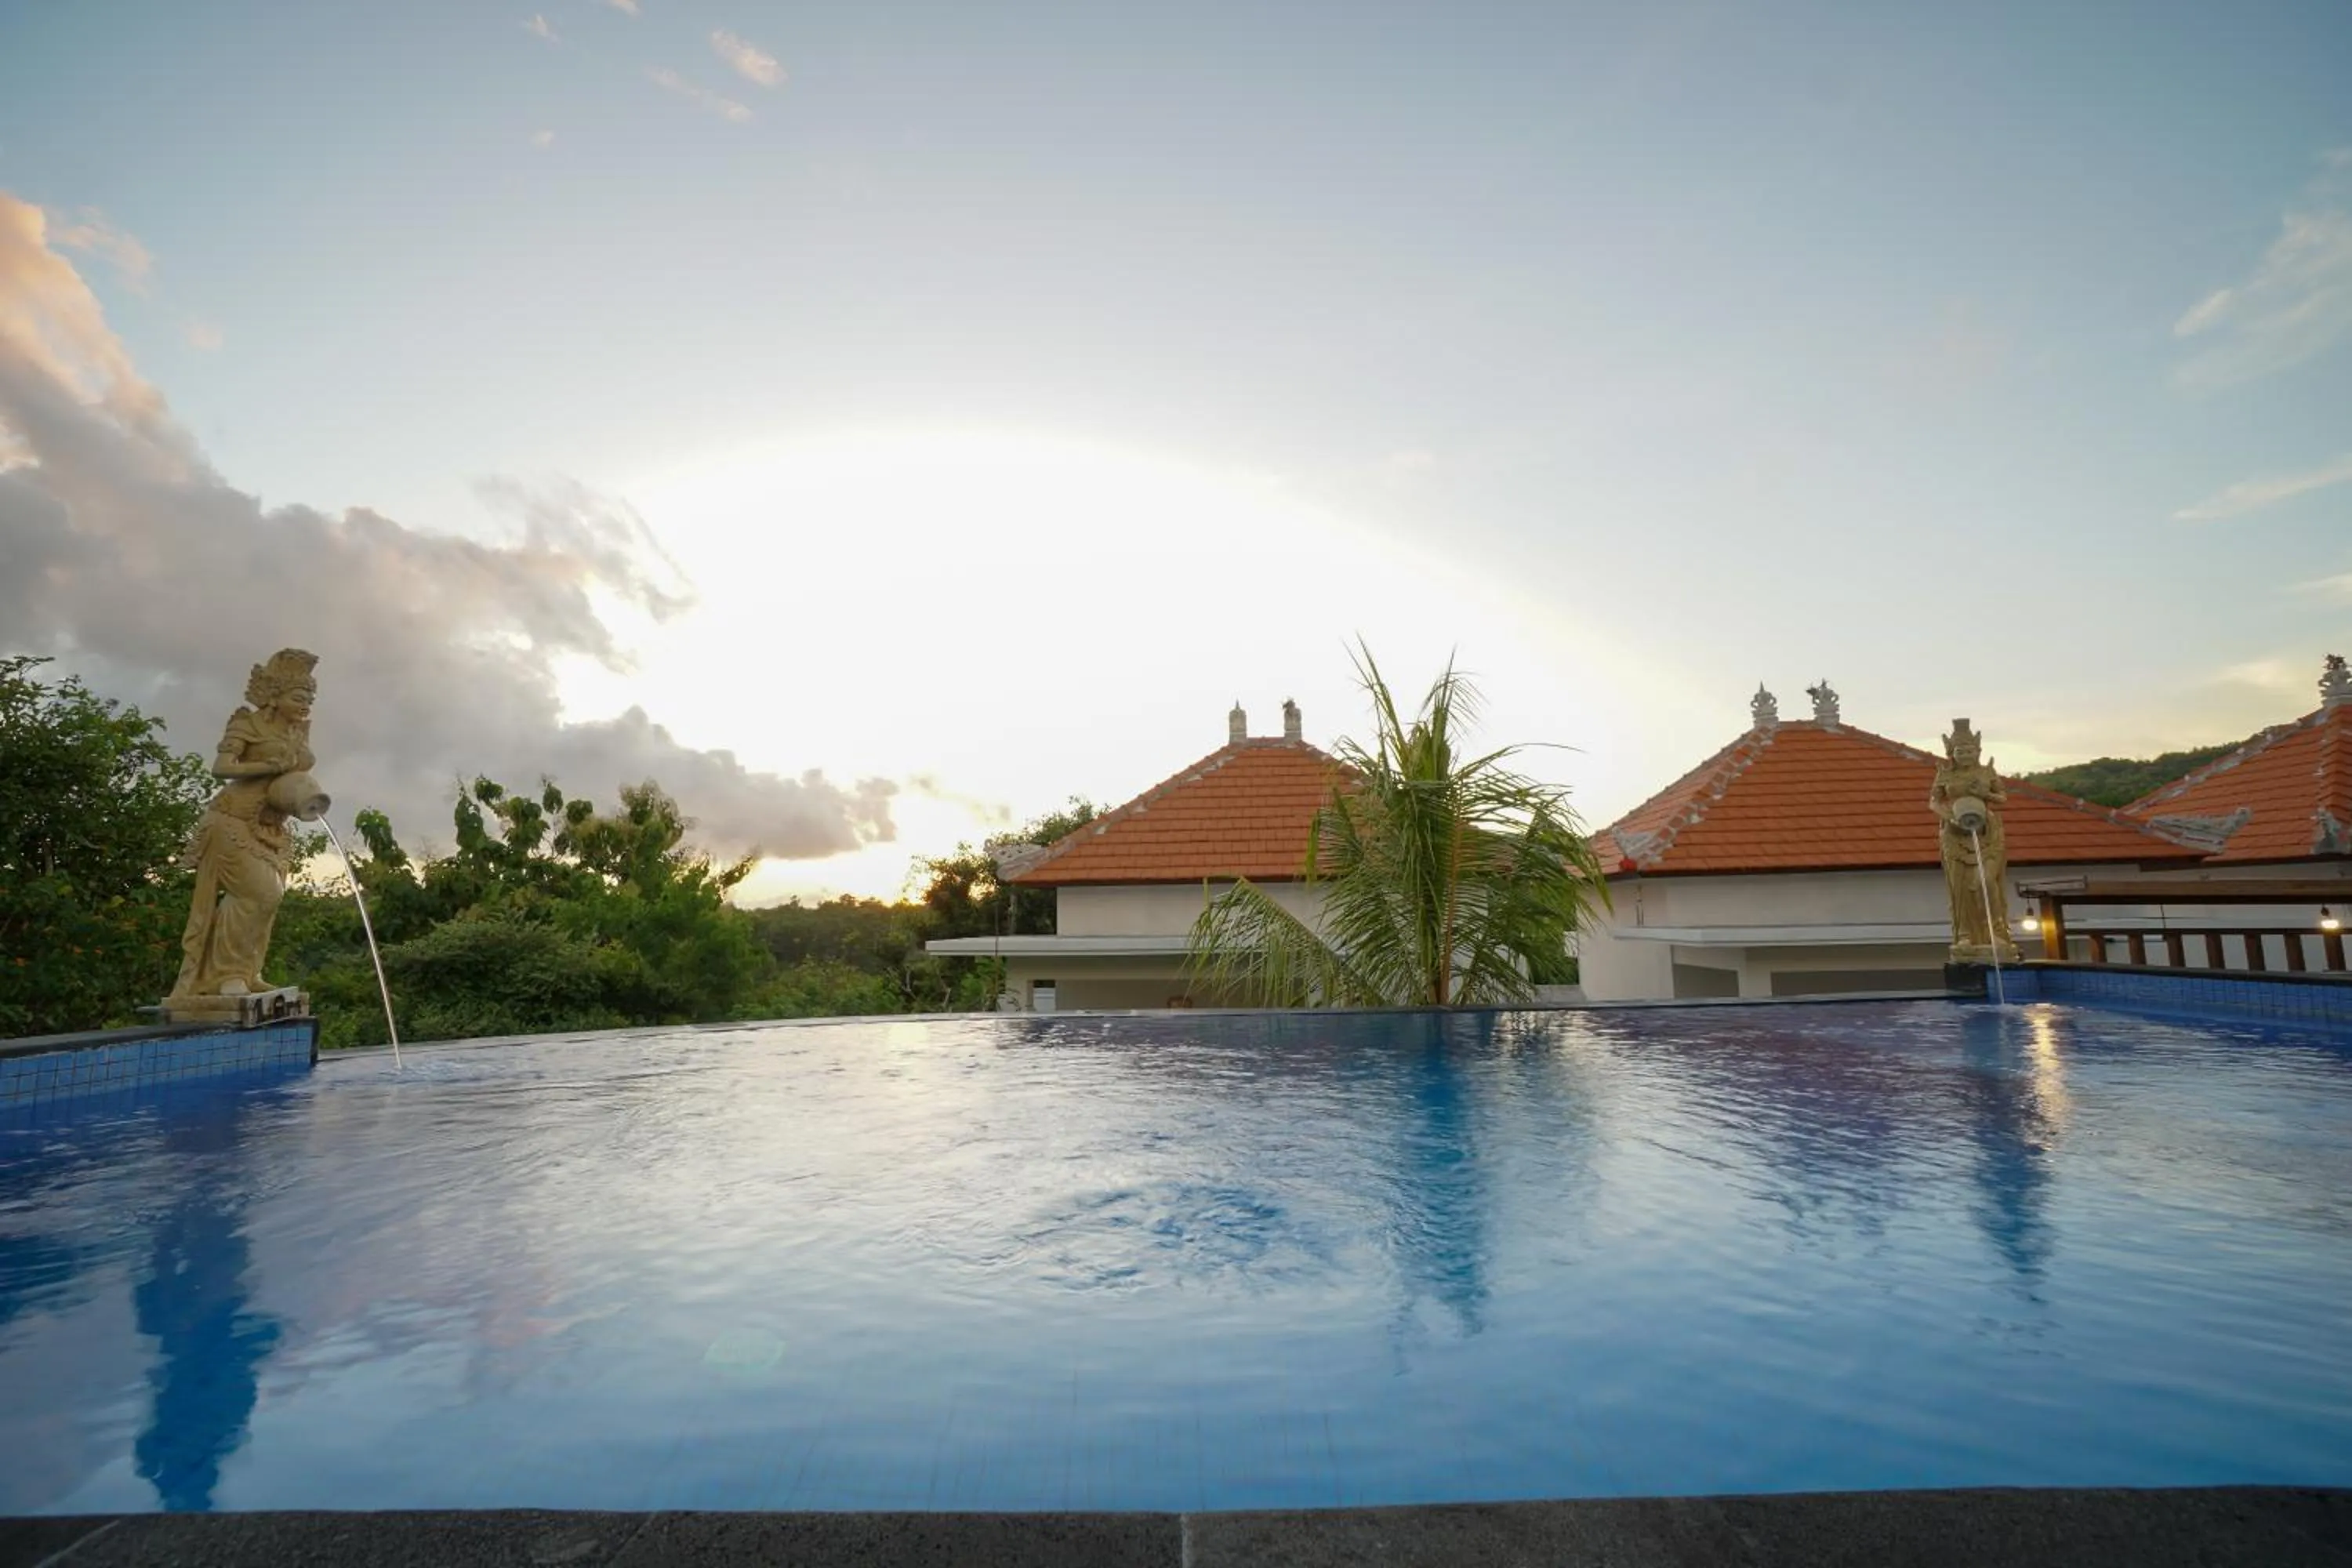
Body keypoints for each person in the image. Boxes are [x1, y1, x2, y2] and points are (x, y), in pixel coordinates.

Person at [169, 650, 318, 1000]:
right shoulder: (247, 724)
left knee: (269, 900)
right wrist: (264, 767)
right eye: (298, 697)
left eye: (310, 698)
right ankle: (223, 977)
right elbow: (221, 768)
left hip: (271, 828)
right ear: (275, 696)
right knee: (257, 894)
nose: (306, 704)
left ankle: (248, 973)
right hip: (232, 820)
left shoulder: (299, 732)